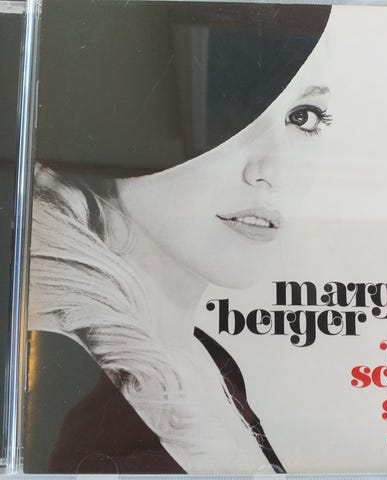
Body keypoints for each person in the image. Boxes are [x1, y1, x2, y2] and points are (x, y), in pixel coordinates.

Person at [26, 1, 332, 474]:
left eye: (303, 117)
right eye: (230, 106)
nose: (273, 171)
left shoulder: (210, 360)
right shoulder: (62, 372)